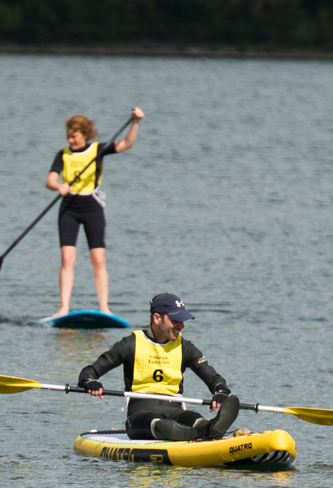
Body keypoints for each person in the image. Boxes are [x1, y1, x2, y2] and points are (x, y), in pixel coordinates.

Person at [78, 293, 240, 441]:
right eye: (176, 320)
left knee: (193, 418)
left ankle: (208, 428)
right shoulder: (130, 344)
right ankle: (178, 432)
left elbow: (214, 378)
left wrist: (220, 391)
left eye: (182, 321)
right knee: (154, 421)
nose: (182, 326)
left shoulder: (184, 347)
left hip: (175, 410)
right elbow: (89, 372)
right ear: (157, 318)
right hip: (140, 413)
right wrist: (91, 382)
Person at [45, 107, 144, 318]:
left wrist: (135, 122)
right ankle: (63, 308)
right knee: (67, 258)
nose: (71, 140)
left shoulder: (98, 149)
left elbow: (127, 144)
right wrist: (58, 186)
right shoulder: (63, 154)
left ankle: (104, 308)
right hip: (68, 208)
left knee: (98, 259)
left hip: (92, 207)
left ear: (84, 134)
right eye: (68, 136)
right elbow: (49, 180)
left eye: (74, 136)